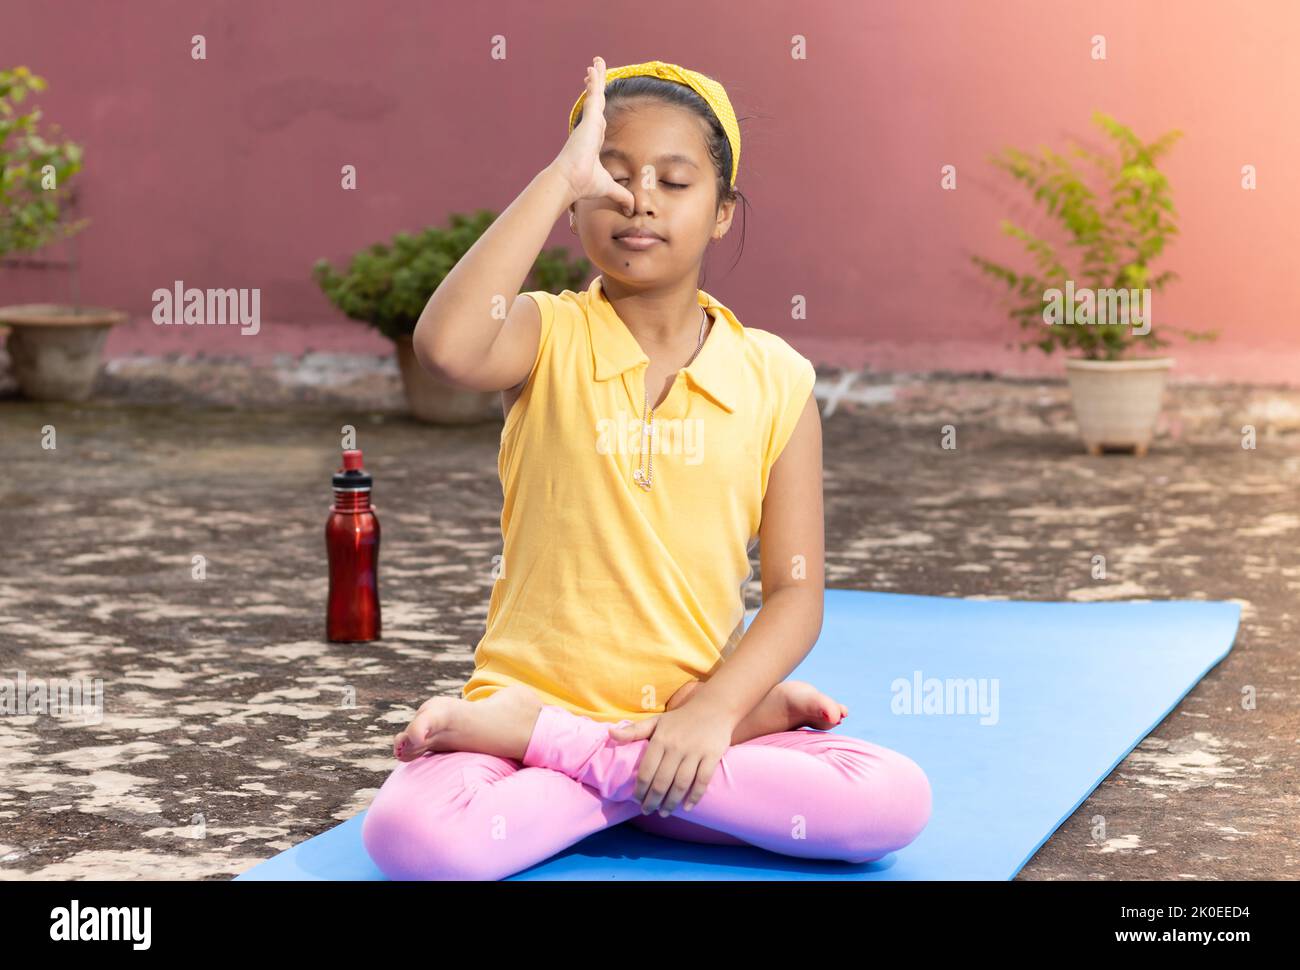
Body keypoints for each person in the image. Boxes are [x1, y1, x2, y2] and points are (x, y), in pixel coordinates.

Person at [361, 57, 931, 880]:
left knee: (891, 801)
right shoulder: (543, 333)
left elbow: (798, 592)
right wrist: (559, 175)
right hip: (527, 705)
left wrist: (713, 715)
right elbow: (445, 347)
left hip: (684, 721)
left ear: (724, 212)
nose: (640, 200)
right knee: (417, 841)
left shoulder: (776, 379)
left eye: (675, 180)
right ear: (576, 205)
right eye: (611, 178)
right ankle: (647, 786)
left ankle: (585, 765)